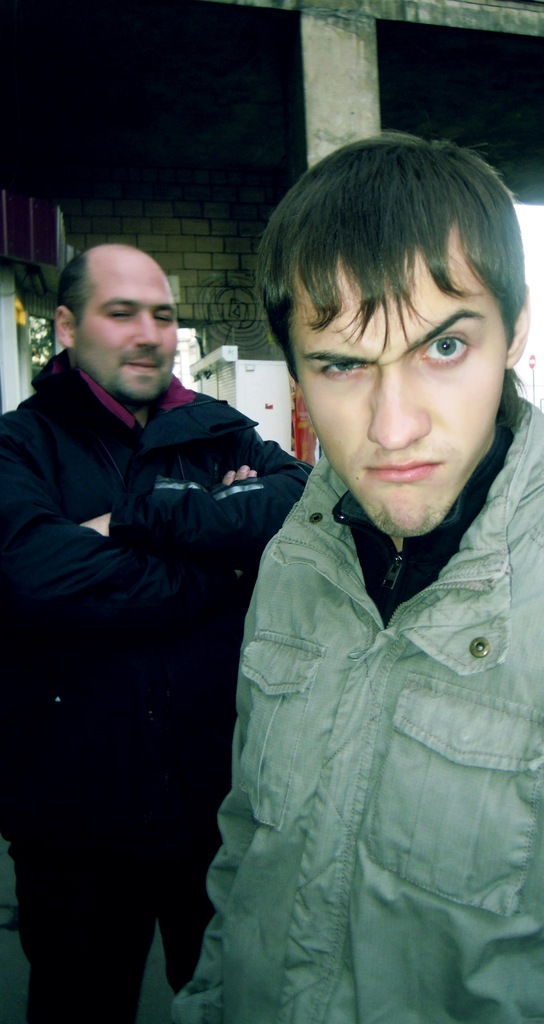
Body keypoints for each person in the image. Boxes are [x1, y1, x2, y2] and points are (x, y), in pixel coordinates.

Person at [173, 135, 544, 1024]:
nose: (395, 426)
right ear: (296, 371)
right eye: (342, 363)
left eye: (444, 346)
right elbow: (249, 854)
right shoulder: (295, 560)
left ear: (516, 331)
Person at [0, 244, 310, 1024]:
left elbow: (302, 504)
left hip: (216, 811)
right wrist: (221, 564)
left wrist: (139, 517)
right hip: (73, 826)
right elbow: (34, 576)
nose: (148, 334)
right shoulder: (19, 446)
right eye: (121, 313)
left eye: (163, 315)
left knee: (230, 1004)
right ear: (66, 326)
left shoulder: (219, 433)